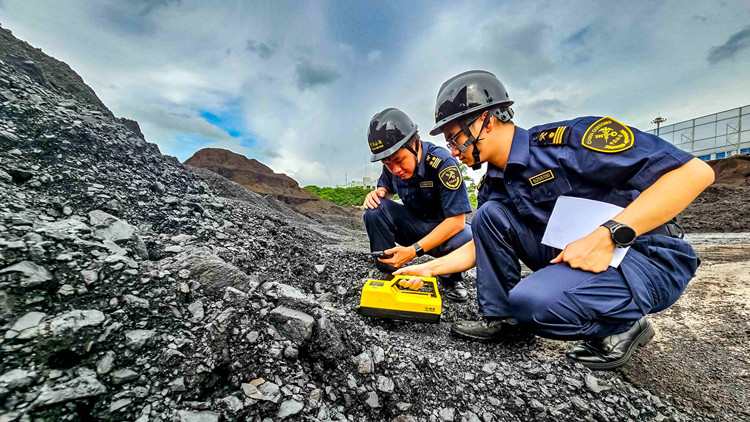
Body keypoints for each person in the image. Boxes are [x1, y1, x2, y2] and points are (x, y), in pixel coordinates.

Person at [394, 70, 714, 369]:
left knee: (532, 303)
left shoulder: (570, 141)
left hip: (646, 256)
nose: (454, 148)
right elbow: (480, 247)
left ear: (486, 121)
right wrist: (428, 267)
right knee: (489, 216)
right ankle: (506, 321)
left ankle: (625, 325)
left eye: (456, 137)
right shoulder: (494, 184)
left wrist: (608, 236)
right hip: (580, 255)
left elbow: (695, 172)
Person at [363, 107, 474, 302]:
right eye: (388, 164)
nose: (395, 169)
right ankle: (391, 269)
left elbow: (457, 222)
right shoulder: (391, 167)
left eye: (399, 160)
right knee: (375, 208)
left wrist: (413, 250)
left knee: (470, 236)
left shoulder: (442, 163)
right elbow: (385, 188)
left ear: (415, 144)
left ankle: (451, 278)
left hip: (445, 231)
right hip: (414, 224)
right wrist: (377, 194)